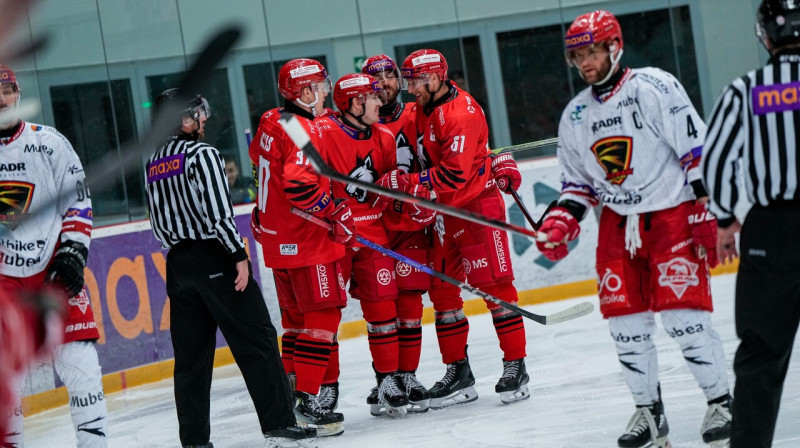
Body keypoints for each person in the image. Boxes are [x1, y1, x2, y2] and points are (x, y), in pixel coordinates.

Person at [537, 10, 732, 448]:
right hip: (617, 224)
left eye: (592, 51)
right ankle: (649, 411)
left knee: (684, 319)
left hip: (671, 214)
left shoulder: (655, 86)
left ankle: (721, 400)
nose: (585, 63)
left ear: (614, 46)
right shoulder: (575, 116)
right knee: (626, 327)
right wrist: (560, 222)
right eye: (577, 55)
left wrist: (707, 210)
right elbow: (577, 186)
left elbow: (695, 151)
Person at [144, 87, 314, 448]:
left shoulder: (154, 161)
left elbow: (158, 224)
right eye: (197, 114)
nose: (203, 119)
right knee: (258, 339)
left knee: (191, 360)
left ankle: (194, 441)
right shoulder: (202, 154)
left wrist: (181, 259)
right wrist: (237, 253)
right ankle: (280, 423)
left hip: (178, 265)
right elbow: (218, 212)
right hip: (215, 256)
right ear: (184, 119)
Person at [375, 49, 530, 409]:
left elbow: (455, 175)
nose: (410, 88)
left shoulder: (460, 112)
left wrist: (408, 182)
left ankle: (515, 366)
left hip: (477, 208)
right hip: (445, 213)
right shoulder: (422, 109)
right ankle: (458, 371)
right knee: (443, 295)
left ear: (436, 78)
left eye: (415, 80)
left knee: (496, 287)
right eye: (408, 80)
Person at [703, 1, 800, 446]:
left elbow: (718, 159)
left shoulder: (747, 90)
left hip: (773, 232)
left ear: (765, 34)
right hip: (772, 231)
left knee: (761, 353)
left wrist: (725, 218)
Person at [0, 64, 108, 448]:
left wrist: (73, 254)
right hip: (4, 283)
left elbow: (78, 202)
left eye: (7, 90)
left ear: (17, 93)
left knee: (81, 367)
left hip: (53, 272)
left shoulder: (50, 143)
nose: (1, 99)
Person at [248, 58, 356, 437]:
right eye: (321, 86)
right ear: (306, 92)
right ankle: (308, 401)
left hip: (279, 244)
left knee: (295, 323)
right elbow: (301, 187)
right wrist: (335, 213)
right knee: (324, 317)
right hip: (308, 242)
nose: (326, 90)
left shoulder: (270, 120)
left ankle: (293, 391)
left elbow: (261, 166)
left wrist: (267, 212)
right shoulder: (301, 128)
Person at [360, 54, 431, 414]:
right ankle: (384, 378)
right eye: (377, 77)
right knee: (379, 305)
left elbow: (444, 149)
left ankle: (407, 375)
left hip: (409, 224)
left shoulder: (417, 114)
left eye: (390, 75)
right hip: (372, 226)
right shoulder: (356, 124)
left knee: (409, 303)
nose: (385, 82)